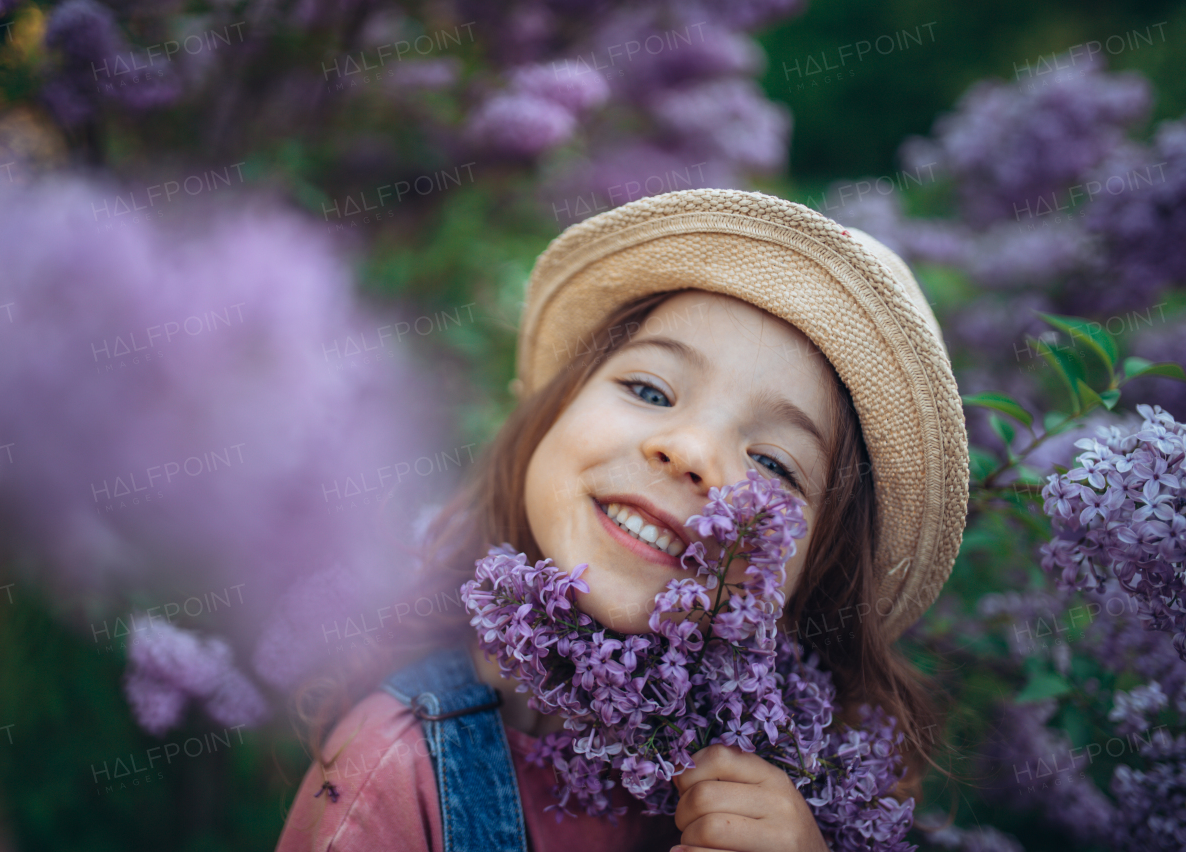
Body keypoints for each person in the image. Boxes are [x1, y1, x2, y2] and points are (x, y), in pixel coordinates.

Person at [275, 188, 970, 852]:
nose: (691, 451)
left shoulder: (800, 813)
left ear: (819, 576)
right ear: (551, 414)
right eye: (648, 388)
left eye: (776, 464)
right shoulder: (391, 775)